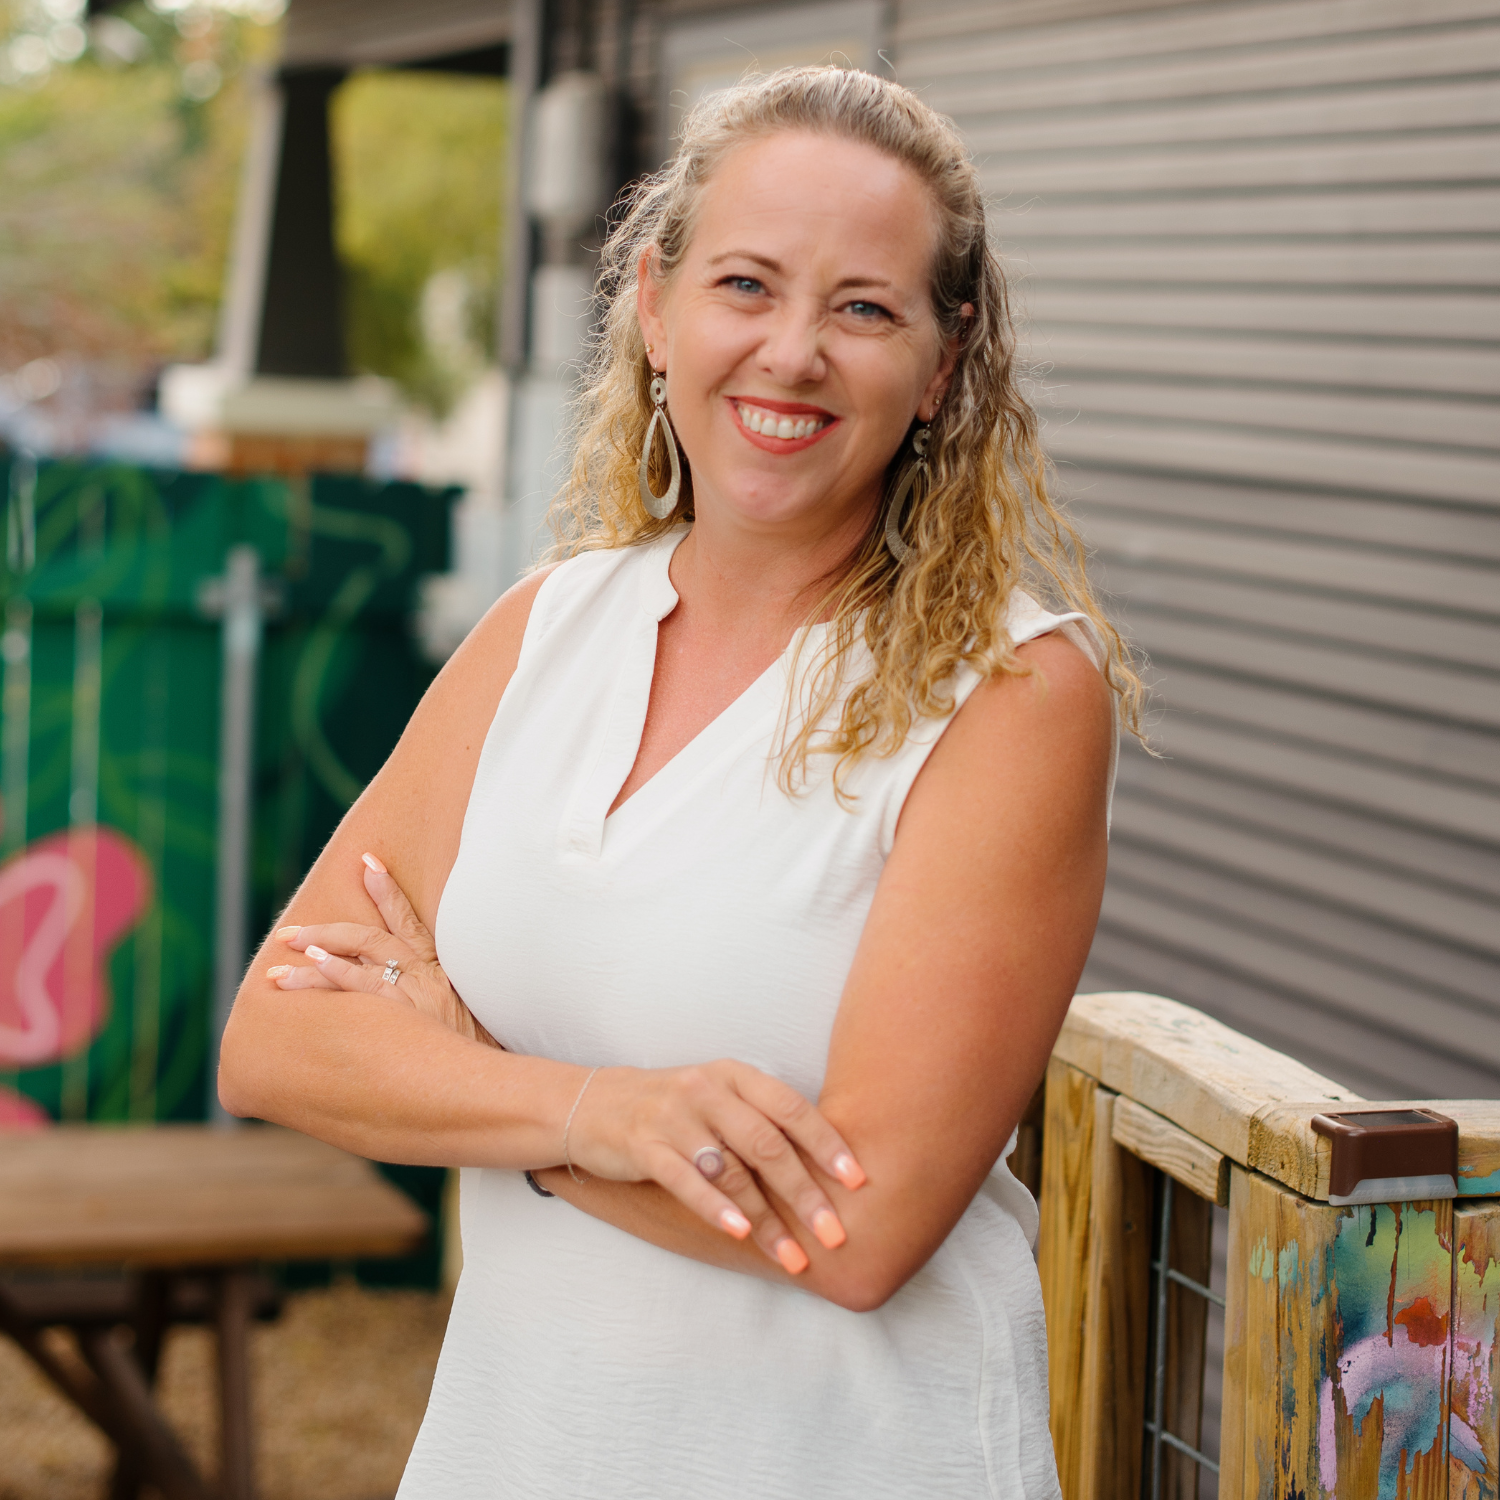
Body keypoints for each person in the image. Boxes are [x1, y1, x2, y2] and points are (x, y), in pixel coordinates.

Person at [219, 65, 1140, 1500]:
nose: (792, 352)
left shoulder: (1009, 693)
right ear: (655, 308)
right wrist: (599, 1111)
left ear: (943, 365)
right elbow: (276, 1040)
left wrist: (493, 1098)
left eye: (864, 309)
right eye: (746, 285)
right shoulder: (545, 630)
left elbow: (862, 1233)